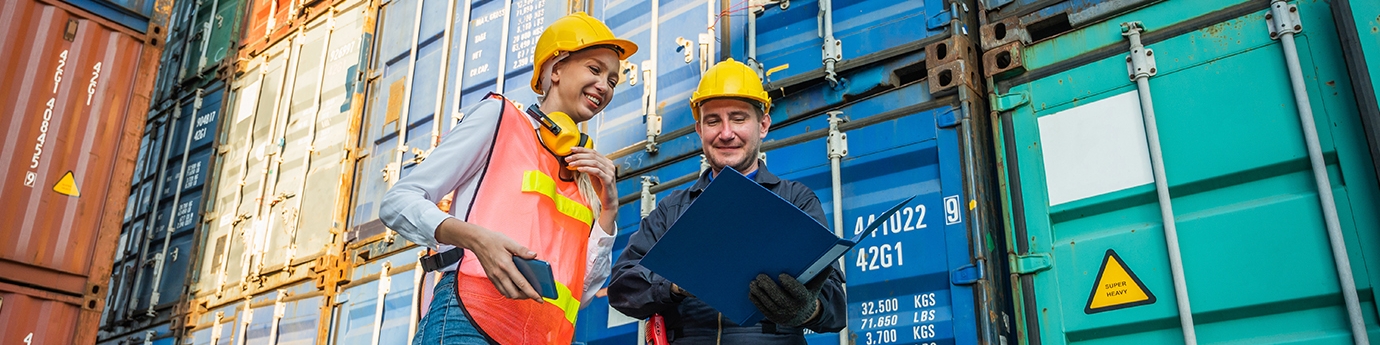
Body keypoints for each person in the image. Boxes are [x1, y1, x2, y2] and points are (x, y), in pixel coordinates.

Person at [380, 12, 637, 345]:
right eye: (594, 69)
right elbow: (398, 202)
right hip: (470, 324)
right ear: (556, 68)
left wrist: (608, 212)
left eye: (613, 80)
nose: (604, 85)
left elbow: (582, 294)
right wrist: (477, 239)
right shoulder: (499, 119)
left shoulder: (585, 177)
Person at [606, 59, 848, 344]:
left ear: (763, 124)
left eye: (738, 118)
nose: (726, 133)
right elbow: (621, 289)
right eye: (713, 121)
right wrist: (674, 284)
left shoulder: (796, 200)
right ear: (699, 130)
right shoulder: (673, 210)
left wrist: (807, 309)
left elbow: (836, 308)